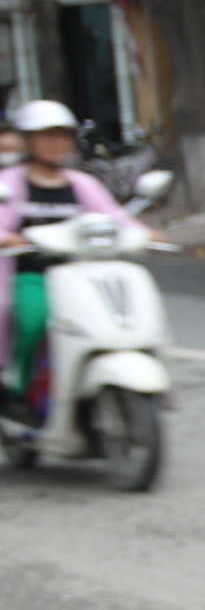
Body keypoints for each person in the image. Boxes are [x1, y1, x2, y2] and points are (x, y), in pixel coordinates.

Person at [0, 101, 145, 402]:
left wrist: (141, 233)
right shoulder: (11, 182)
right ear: (29, 141)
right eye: (46, 136)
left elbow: (113, 217)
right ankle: (18, 378)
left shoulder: (82, 183)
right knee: (33, 317)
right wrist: (8, 238)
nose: (55, 144)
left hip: (82, 275)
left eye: (62, 136)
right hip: (32, 275)